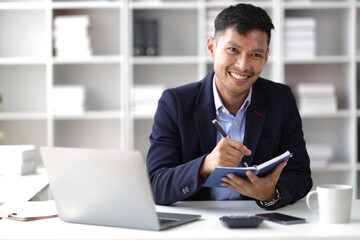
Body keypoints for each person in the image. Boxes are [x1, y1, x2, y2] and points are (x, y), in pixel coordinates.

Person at [146, 3, 312, 210]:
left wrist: (271, 194)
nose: (243, 66)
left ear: (266, 57)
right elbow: (155, 185)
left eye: (256, 55)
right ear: (211, 48)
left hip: (258, 220)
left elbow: (301, 175)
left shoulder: (281, 99)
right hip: (198, 222)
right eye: (233, 50)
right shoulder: (175, 103)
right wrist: (205, 165)